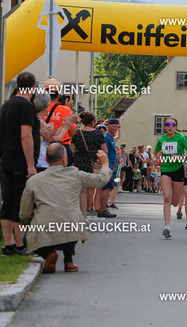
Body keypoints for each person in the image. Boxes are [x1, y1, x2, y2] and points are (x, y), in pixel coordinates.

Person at [19, 144, 111, 272]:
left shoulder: (34, 181)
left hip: (44, 232)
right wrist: (105, 163)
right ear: (64, 158)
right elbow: (101, 180)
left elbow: (25, 214)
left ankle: (48, 253)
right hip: (71, 234)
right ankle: (69, 261)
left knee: (25, 239)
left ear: (46, 160)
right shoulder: (75, 174)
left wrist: (29, 224)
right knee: (69, 214)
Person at [0, 72, 39, 255]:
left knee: (7, 201)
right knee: (19, 203)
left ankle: (8, 244)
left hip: (6, 158)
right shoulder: (25, 106)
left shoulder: (6, 105)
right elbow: (26, 136)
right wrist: (30, 165)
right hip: (20, 160)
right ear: (33, 87)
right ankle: (20, 244)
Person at [153, 117, 187, 238]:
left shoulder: (181, 138)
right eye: (167, 124)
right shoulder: (162, 139)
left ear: (176, 127)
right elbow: (154, 152)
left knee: (175, 202)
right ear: (164, 127)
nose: (170, 127)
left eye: (172, 125)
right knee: (167, 197)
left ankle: (174, 204)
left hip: (178, 170)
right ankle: (167, 226)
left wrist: (180, 157)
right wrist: (154, 159)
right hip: (165, 170)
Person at [70, 111, 114, 220]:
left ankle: (82, 213)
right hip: (94, 162)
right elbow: (104, 151)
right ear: (93, 122)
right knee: (93, 187)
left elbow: (72, 149)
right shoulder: (98, 134)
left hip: (80, 160)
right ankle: (91, 208)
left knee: (82, 189)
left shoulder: (77, 133)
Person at [44, 78, 76, 165]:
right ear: (59, 94)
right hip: (62, 147)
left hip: (44, 147)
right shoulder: (66, 110)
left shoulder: (39, 108)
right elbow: (72, 132)